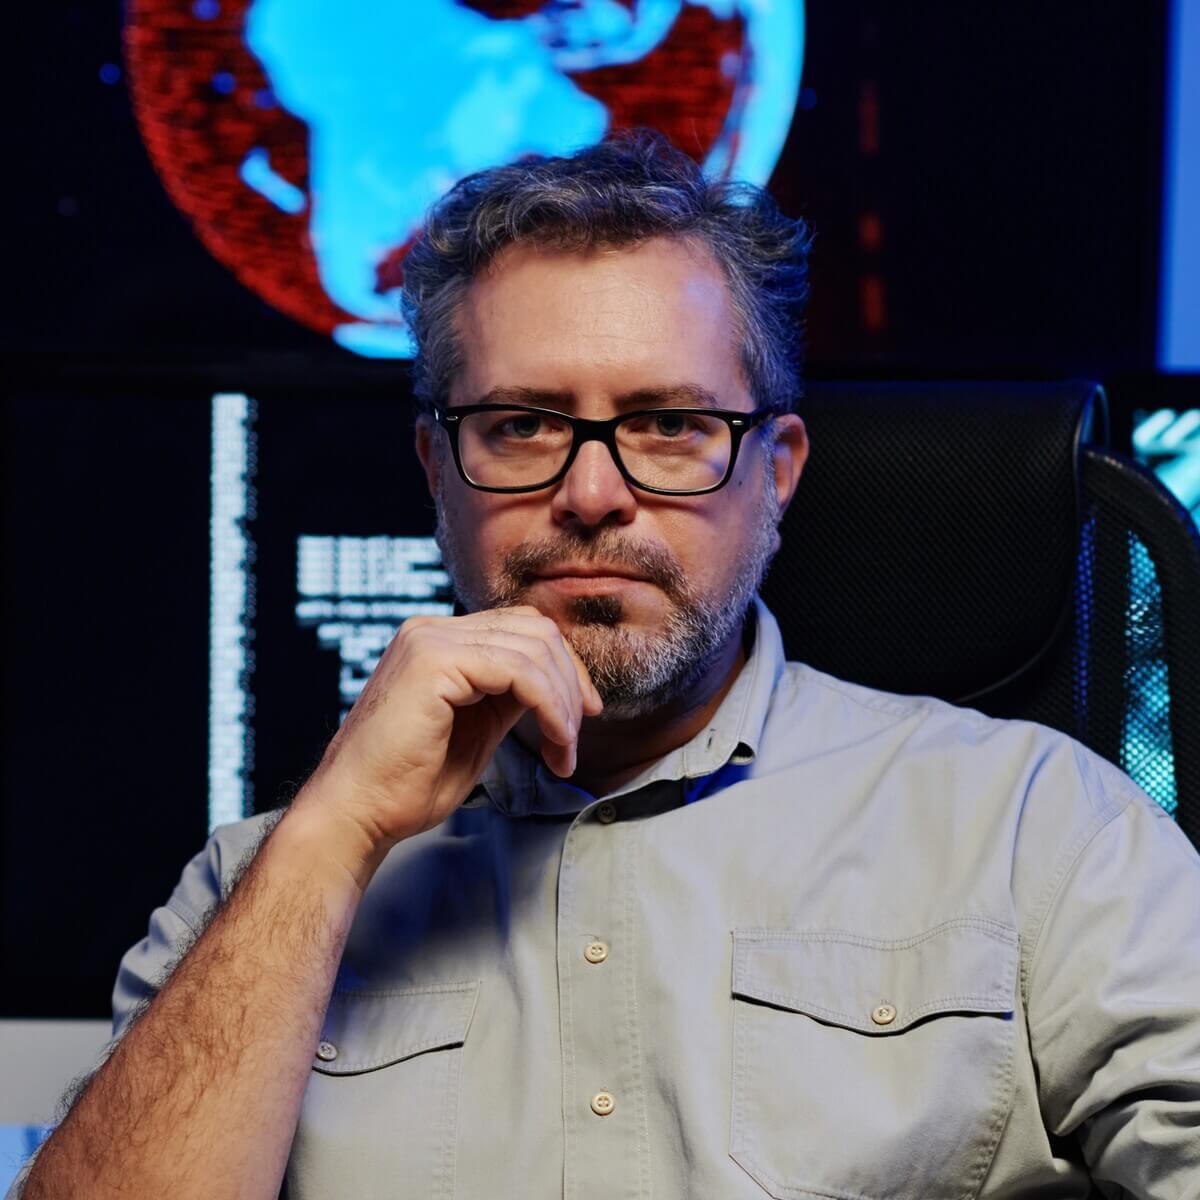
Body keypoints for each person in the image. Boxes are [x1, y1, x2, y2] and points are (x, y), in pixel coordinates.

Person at [14, 133, 1200, 1200]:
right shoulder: (259, 888)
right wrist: (333, 839)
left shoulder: (1039, 831)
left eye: (670, 425)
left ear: (776, 472)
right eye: (522, 424)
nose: (591, 493)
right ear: (436, 472)